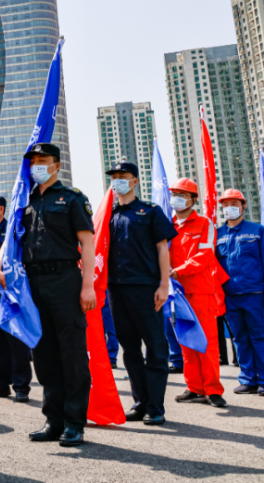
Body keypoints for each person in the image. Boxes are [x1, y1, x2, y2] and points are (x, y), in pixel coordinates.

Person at [0, 142, 95, 448]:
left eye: (43, 160)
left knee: (72, 353)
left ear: (57, 164)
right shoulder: (23, 201)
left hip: (65, 279)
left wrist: (88, 284)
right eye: (33, 160)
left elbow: (87, 243)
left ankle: (74, 422)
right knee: (43, 352)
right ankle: (53, 419)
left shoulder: (72, 198)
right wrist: (0, 267)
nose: (37, 164)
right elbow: (12, 236)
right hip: (32, 283)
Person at [104, 161, 175, 425]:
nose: (117, 180)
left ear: (134, 181)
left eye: (123, 176)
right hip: (116, 290)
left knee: (156, 346)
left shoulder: (150, 212)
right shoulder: (108, 214)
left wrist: (164, 284)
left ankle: (156, 407)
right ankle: (140, 402)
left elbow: (162, 248)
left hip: (145, 287)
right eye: (114, 177)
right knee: (129, 348)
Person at [169, 178, 227, 407]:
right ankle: (194, 388)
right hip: (177, 294)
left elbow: (204, 256)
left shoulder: (204, 223)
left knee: (208, 343)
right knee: (185, 341)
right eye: (175, 194)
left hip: (200, 291)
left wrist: (178, 271)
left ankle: (213, 390)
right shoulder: (168, 225)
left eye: (184, 195)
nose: (178, 199)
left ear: (193, 199)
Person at [0, 194, 33, 403]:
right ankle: (0, 382)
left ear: (1, 208)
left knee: (15, 340)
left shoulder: (12, 232)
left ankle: (21, 385)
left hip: (10, 293)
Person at [216, 189, 264, 396]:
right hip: (229, 295)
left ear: (243, 206)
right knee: (239, 338)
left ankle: (263, 379)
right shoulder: (217, 235)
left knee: (260, 336)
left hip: (255, 293)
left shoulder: (257, 230)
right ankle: (247, 379)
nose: (229, 208)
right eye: (225, 204)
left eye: (234, 203)